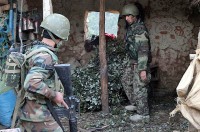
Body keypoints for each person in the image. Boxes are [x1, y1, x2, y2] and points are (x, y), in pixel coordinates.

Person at [19, 13, 70, 131]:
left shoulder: (33, 49)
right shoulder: (45, 56)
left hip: (28, 112)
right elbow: (31, 82)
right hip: (37, 115)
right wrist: (54, 95)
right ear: (59, 37)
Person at [121, 3, 152, 122]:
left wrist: (142, 69)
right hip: (133, 62)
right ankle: (136, 103)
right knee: (126, 80)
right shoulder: (132, 28)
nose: (127, 18)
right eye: (125, 16)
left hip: (140, 63)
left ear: (135, 15)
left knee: (140, 86)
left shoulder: (139, 29)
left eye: (129, 16)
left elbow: (143, 50)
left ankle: (143, 114)